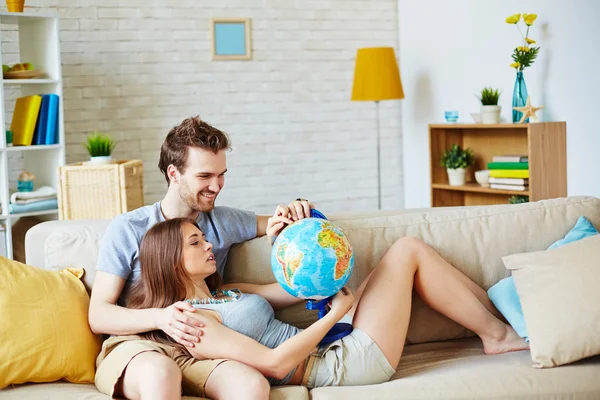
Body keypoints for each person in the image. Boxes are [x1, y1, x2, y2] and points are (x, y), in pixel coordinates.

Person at [127, 216, 529, 393]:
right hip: (336, 365)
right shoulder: (195, 324)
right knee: (407, 251)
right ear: (170, 259)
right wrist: (336, 313)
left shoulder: (226, 289)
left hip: (337, 339)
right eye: (196, 242)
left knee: (410, 250)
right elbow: (274, 364)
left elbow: (289, 288)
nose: (209, 244)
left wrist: (296, 245)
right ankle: (497, 333)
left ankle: (501, 320)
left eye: (204, 236)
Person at [89, 116, 312, 399]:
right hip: (143, 346)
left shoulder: (223, 220)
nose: (216, 186)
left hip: (201, 351)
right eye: (204, 176)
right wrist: (162, 318)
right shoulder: (129, 228)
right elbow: (99, 315)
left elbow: (284, 220)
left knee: (251, 385)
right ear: (174, 174)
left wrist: (296, 208)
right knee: (160, 374)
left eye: (221, 175)